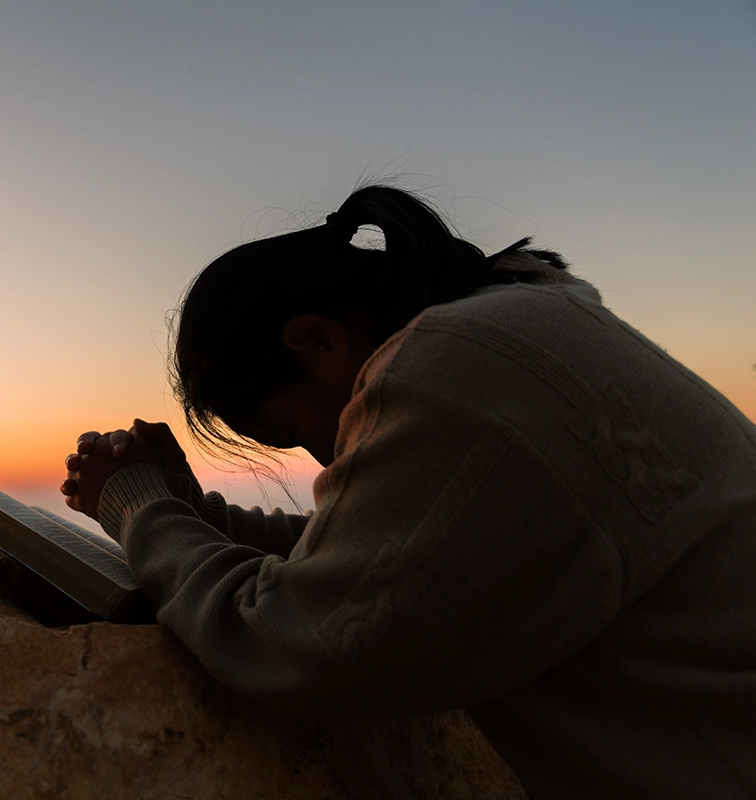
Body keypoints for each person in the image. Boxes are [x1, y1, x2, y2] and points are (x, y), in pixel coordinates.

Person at [58, 185, 756, 799]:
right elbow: (383, 550)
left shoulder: (448, 366)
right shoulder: (517, 331)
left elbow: (296, 643)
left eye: (288, 431)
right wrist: (186, 509)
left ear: (318, 341)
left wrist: (137, 508)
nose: (322, 455)